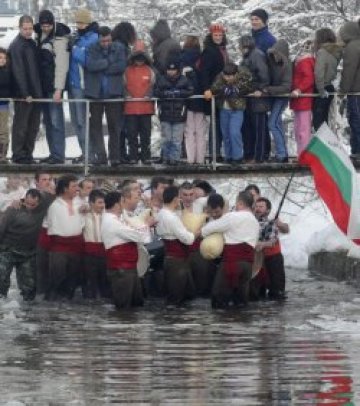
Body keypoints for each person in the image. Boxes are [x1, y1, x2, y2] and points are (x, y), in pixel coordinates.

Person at [201, 191, 259, 308]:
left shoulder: (233, 216)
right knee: (241, 301)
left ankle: (223, 325)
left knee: (219, 299)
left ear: (240, 203)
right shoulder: (255, 222)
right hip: (247, 265)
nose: (235, 205)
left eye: (237, 203)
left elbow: (207, 229)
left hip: (231, 263)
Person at [85, 26, 127, 166]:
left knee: (114, 126)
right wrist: (108, 62)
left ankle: (114, 156)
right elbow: (90, 65)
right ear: (98, 39)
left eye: (108, 40)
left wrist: (102, 67)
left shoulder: (119, 48)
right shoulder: (91, 48)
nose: (106, 44)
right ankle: (101, 156)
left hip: (113, 93)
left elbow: (121, 66)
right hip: (95, 94)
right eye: (103, 41)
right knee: (95, 127)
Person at [101, 191, 151, 309]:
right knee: (124, 307)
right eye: (123, 201)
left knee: (136, 304)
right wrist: (146, 224)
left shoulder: (116, 219)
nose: (125, 204)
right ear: (117, 205)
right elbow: (140, 237)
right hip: (121, 270)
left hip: (128, 268)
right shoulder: (112, 221)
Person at [34, 10, 70, 165]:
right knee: (47, 122)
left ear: (53, 23)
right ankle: (53, 153)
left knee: (56, 122)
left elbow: (62, 66)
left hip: (53, 88)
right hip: (42, 87)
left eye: (48, 25)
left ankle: (59, 154)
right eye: (44, 25)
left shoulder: (59, 39)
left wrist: (58, 89)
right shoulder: (39, 36)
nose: (46, 28)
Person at [9, 15, 42, 164]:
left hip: (35, 93)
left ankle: (28, 153)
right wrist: (25, 93)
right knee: (21, 125)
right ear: (20, 28)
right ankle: (18, 154)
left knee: (33, 126)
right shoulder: (17, 45)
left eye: (30, 28)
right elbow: (18, 71)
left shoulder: (31, 44)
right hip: (24, 94)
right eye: (25, 29)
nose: (28, 31)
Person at [0, 189, 45, 300]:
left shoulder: (42, 211)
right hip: (8, 250)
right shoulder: (13, 209)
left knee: (29, 287)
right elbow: (2, 228)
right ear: (24, 199)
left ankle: (27, 310)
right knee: (1, 280)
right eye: (27, 203)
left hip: (28, 253)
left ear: (38, 203)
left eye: (33, 205)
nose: (29, 206)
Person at [156, 185, 197, 304]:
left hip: (171, 258)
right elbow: (187, 239)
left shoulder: (161, 214)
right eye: (179, 198)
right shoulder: (171, 218)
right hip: (177, 262)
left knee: (184, 294)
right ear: (175, 200)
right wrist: (195, 233)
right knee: (176, 297)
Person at [46, 175, 85, 300]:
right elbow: (49, 226)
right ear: (64, 188)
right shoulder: (54, 205)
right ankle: (50, 306)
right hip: (59, 246)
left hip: (77, 245)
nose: (77, 189)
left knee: (73, 278)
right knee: (57, 277)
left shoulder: (80, 202)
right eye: (73, 186)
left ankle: (67, 309)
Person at [68, 9, 98, 163]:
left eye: (81, 22)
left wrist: (74, 48)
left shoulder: (93, 38)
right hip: (72, 85)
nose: (78, 25)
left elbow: (87, 61)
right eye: (77, 22)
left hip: (82, 85)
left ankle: (89, 154)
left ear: (87, 22)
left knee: (82, 121)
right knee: (75, 122)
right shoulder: (78, 37)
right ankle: (84, 152)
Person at [211, 62, 253, 164]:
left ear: (235, 74)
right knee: (226, 134)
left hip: (237, 109)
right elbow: (214, 88)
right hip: (224, 109)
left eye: (230, 76)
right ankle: (228, 156)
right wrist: (223, 89)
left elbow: (248, 88)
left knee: (234, 132)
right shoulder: (220, 77)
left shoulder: (243, 77)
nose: (228, 78)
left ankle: (237, 156)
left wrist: (235, 89)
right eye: (226, 76)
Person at [154, 60, 194, 165]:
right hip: (165, 114)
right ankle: (165, 158)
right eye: (169, 70)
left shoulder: (184, 80)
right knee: (166, 138)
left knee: (176, 139)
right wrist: (166, 93)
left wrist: (179, 93)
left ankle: (175, 159)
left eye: (173, 70)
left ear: (177, 70)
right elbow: (156, 91)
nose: (171, 72)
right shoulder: (161, 79)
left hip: (179, 113)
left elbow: (190, 90)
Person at [200, 23, 229, 161]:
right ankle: (214, 153)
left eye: (220, 35)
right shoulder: (209, 51)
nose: (218, 37)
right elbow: (204, 71)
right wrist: (206, 88)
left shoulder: (223, 49)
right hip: (214, 90)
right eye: (215, 35)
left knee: (221, 122)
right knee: (216, 123)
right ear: (211, 36)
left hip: (223, 90)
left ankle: (218, 152)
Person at [124, 41, 155, 165]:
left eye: (141, 58)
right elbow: (123, 86)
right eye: (137, 58)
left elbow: (154, 85)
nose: (139, 60)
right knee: (131, 135)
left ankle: (146, 157)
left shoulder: (150, 70)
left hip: (146, 108)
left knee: (145, 135)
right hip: (130, 108)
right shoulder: (127, 71)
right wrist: (126, 95)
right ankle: (133, 156)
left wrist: (150, 94)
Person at [261, 39, 292, 163]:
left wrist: (268, 89)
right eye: (273, 54)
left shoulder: (287, 66)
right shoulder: (272, 62)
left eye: (277, 54)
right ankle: (281, 152)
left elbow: (287, 86)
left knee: (272, 123)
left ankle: (282, 153)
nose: (275, 56)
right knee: (276, 123)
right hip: (274, 96)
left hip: (281, 97)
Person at [112, 22, 138, 163]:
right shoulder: (121, 48)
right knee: (121, 125)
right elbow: (123, 67)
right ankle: (121, 154)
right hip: (121, 90)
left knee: (121, 124)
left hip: (119, 90)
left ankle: (121, 153)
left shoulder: (118, 45)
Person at [182, 33, 207, 165]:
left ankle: (191, 159)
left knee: (189, 132)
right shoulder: (202, 58)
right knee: (200, 132)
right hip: (201, 99)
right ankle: (200, 159)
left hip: (188, 101)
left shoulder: (182, 59)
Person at [254, 197, 286, 300]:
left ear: (268, 209)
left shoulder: (274, 219)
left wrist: (262, 244)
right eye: (257, 206)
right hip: (258, 259)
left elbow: (284, 231)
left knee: (277, 292)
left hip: (273, 258)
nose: (258, 209)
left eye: (261, 207)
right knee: (258, 292)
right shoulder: (251, 219)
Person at [312, 28, 342, 131]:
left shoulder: (322, 51)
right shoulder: (335, 51)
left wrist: (320, 89)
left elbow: (319, 72)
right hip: (329, 86)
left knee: (318, 122)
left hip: (322, 88)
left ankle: (320, 147)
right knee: (324, 121)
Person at [83, 189, 110, 299]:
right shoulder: (84, 214)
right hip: (89, 254)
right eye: (99, 202)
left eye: (103, 202)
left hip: (104, 253)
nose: (102, 205)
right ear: (91, 203)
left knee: (105, 283)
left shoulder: (108, 215)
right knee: (90, 284)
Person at [290, 40, 315, 155]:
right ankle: (302, 153)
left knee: (302, 129)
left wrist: (299, 89)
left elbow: (308, 79)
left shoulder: (304, 62)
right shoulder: (306, 61)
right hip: (300, 99)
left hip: (302, 99)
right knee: (300, 128)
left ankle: (303, 154)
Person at [339, 21, 360, 156]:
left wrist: (343, 90)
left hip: (356, 91)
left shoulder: (353, 46)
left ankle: (357, 151)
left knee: (355, 120)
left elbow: (349, 70)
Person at [0, 47, 11, 163]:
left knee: (3, 130)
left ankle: (2, 155)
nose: (2, 60)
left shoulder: (8, 71)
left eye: (4, 58)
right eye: (0, 58)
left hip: (3, 105)